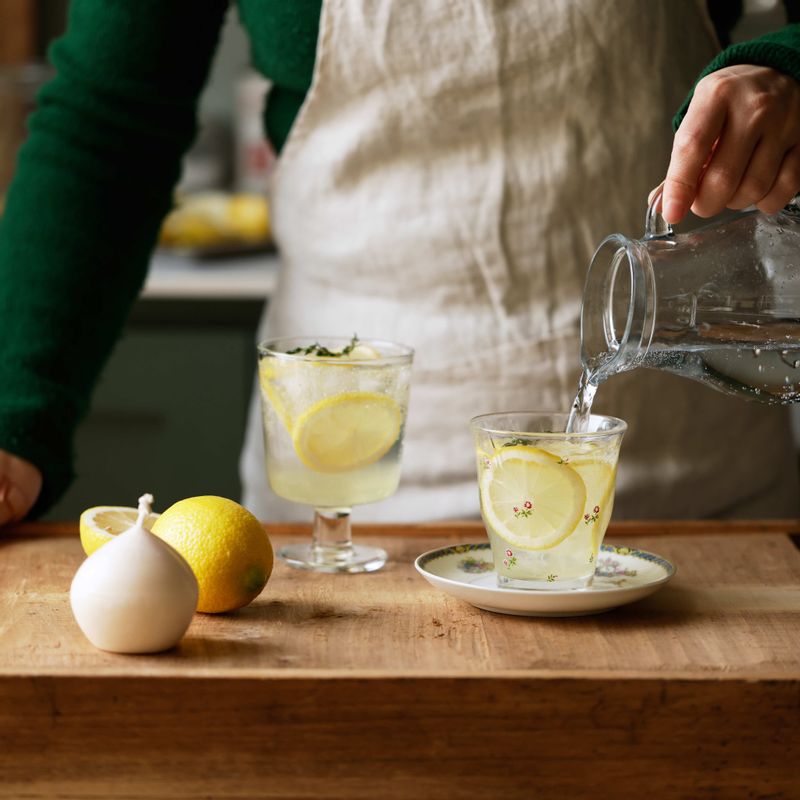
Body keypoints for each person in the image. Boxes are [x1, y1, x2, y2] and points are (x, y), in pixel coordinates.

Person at [1, 1, 799, 527]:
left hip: (697, 488)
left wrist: (787, 65)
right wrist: (16, 414)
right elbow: (107, 122)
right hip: (345, 497)